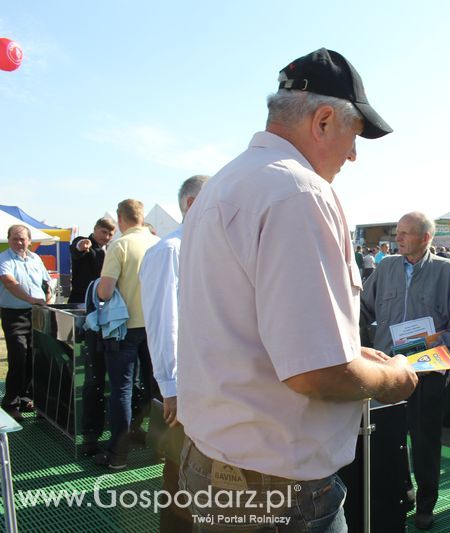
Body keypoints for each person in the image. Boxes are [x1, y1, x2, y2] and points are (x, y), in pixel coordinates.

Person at [176, 48, 417, 531]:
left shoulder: (225, 184)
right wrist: (396, 380)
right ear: (324, 120)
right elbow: (315, 372)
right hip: (278, 490)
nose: (353, 154)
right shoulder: (299, 193)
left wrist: (349, 353)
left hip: (213, 464)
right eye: (354, 136)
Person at [361, 211, 450, 530]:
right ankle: (402, 494)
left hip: (427, 377)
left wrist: (433, 358)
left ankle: (426, 504)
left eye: (405, 233)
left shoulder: (446, 271)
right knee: (387, 439)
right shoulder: (385, 268)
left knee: (425, 442)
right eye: (397, 232)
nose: (396, 238)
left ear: (426, 238)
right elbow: (364, 310)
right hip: (386, 375)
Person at [139, 174, 209, 531]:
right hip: (182, 389)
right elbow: (163, 323)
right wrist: (172, 389)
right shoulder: (169, 250)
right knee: (177, 476)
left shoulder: (203, 248)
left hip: (205, 388)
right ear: (193, 205)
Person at [93, 199, 160, 469]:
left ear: (120, 218)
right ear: (142, 218)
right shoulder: (158, 243)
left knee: (122, 388)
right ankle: (162, 448)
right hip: (156, 327)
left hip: (126, 328)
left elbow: (105, 292)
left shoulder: (119, 245)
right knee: (157, 385)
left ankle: (118, 455)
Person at [0, 225, 51, 422]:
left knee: (33, 356)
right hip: (14, 315)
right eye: (15, 239)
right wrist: (30, 298)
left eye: (22, 239)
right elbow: (8, 281)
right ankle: (10, 403)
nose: (19, 242)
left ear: (30, 240)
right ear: (9, 239)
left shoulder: (35, 258)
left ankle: (26, 397)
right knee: (18, 355)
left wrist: (47, 294)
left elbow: (46, 282)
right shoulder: (4, 258)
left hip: (37, 313)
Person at [68, 217, 116, 304]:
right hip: (81, 302)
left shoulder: (113, 250)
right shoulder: (86, 243)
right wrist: (81, 245)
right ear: (95, 229)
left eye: (110, 234)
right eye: (104, 232)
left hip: (105, 304)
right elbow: (76, 247)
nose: (106, 237)